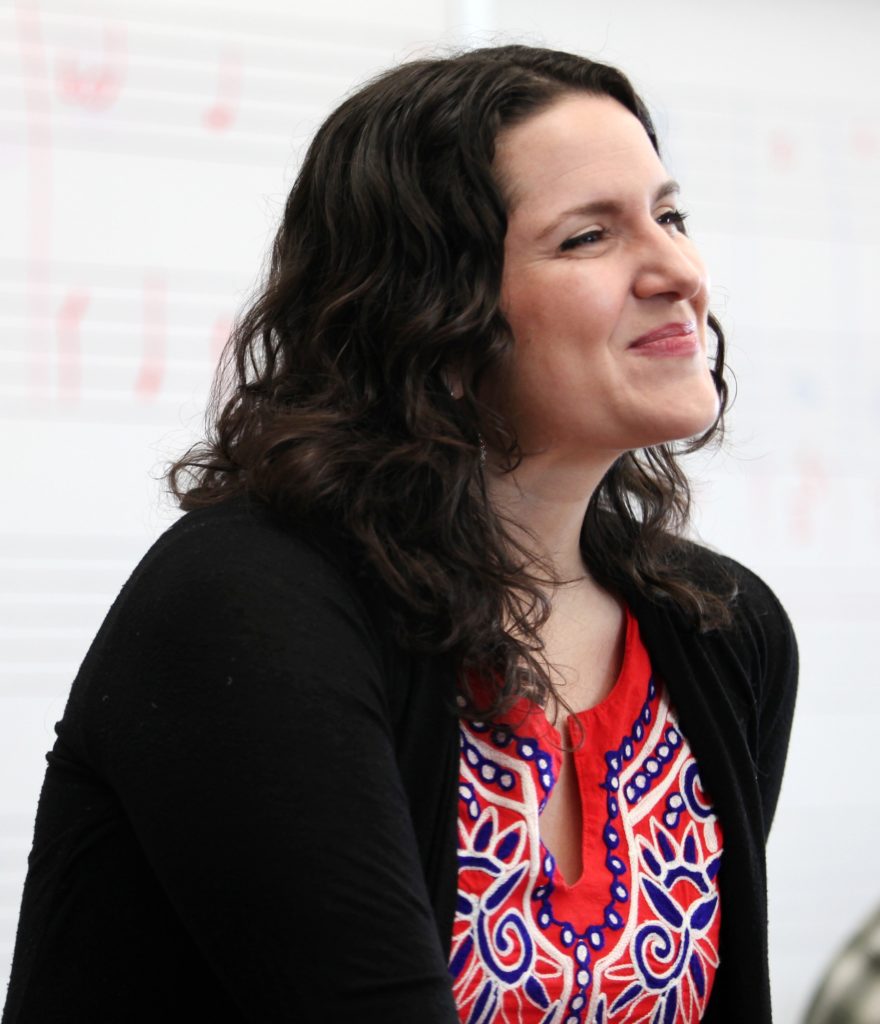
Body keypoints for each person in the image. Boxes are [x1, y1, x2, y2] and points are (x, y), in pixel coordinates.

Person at [1, 44, 798, 1024]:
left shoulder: (722, 627)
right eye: (590, 236)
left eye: (669, 216)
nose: (678, 270)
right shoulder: (249, 604)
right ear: (430, 309)